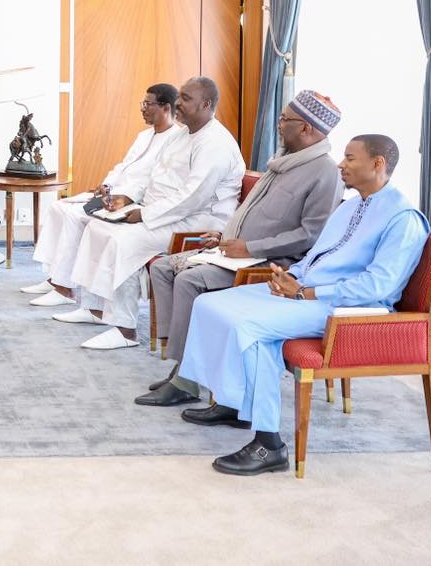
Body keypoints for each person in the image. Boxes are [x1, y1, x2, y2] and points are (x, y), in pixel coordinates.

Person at [178, 134, 427, 475]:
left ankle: (268, 445)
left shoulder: (403, 218)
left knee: (250, 329)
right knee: (209, 304)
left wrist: (307, 293)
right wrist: (289, 277)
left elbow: (377, 286)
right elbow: (316, 257)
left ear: (377, 164)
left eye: (350, 158)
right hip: (308, 292)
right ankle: (233, 402)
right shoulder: (351, 206)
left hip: (348, 309)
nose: (341, 164)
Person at [136, 90, 346, 407]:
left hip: (271, 263)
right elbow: (251, 213)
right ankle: (185, 363)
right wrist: (223, 235)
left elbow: (311, 235)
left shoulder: (325, 172)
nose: (279, 125)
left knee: (190, 280)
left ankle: (187, 380)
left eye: (284, 119)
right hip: (237, 253)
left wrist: (250, 247)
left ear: (306, 128)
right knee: (164, 268)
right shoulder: (283, 162)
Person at [54, 76, 244, 350]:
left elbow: (193, 197)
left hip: (198, 223)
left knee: (122, 240)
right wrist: (128, 199)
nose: (178, 102)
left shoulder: (216, 143)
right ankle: (95, 309)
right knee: (98, 227)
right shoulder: (181, 134)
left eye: (186, 98)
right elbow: (154, 174)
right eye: (179, 96)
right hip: (163, 211)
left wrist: (145, 214)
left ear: (206, 104)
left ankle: (125, 329)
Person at [25, 83, 183, 307]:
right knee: (58, 207)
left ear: (166, 108)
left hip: (130, 200)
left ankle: (65, 288)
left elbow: (153, 181)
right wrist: (107, 184)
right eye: (143, 103)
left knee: (74, 216)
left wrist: (123, 196)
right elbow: (123, 165)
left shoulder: (176, 140)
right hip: (115, 192)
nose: (143, 108)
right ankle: (54, 278)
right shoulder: (144, 136)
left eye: (148, 104)